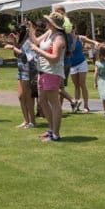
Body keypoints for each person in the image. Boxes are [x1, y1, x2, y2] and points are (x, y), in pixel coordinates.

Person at [28, 12, 67, 142]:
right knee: (42, 101)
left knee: (54, 103)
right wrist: (30, 30)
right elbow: (35, 41)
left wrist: (37, 50)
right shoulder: (50, 33)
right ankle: (51, 130)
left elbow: (55, 58)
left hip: (52, 72)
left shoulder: (59, 38)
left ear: (54, 24)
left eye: (48, 21)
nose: (46, 22)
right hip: (43, 71)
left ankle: (56, 134)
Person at [4, 23, 37, 129]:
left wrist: (13, 47)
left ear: (21, 32)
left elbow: (25, 56)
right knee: (20, 97)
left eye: (17, 33)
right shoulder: (21, 41)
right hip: (20, 72)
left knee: (28, 98)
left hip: (27, 72)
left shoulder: (28, 42)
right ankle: (26, 121)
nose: (16, 34)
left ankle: (32, 121)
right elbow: (16, 55)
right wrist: (14, 42)